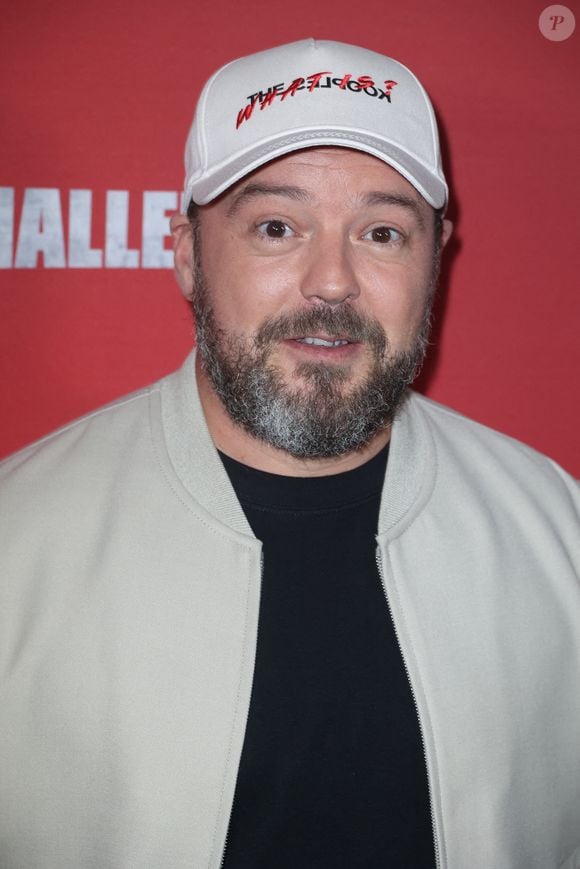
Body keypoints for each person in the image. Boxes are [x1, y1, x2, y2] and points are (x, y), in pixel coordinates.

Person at [0, 38, 578, 869]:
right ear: (187, 252)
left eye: (381, 232)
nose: (333, 280)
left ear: (436, 257)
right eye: (277, 226)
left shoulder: (559, 532)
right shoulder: (18, 544)